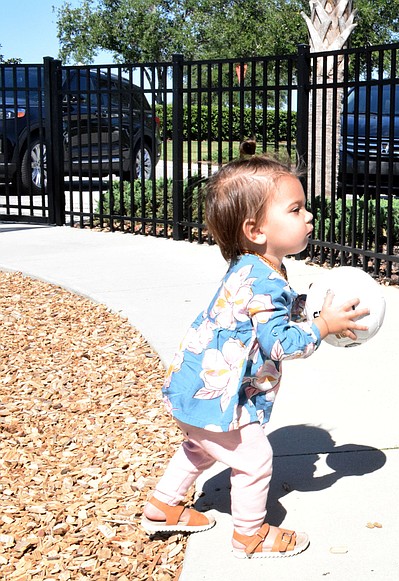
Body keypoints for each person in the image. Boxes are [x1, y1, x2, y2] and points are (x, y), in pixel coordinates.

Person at [140, 150, 369, 557]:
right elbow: (280, 342)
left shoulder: (252, 266)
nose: (309, 216)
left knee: (198, 447)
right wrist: (323, 326)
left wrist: (305, 304)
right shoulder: (265, 280)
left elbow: (258, 317)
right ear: (256, 229)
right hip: (218, 398)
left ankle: (163, 506)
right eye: (296, 209)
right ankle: (250, 535)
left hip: (193, 387)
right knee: (255, 459)